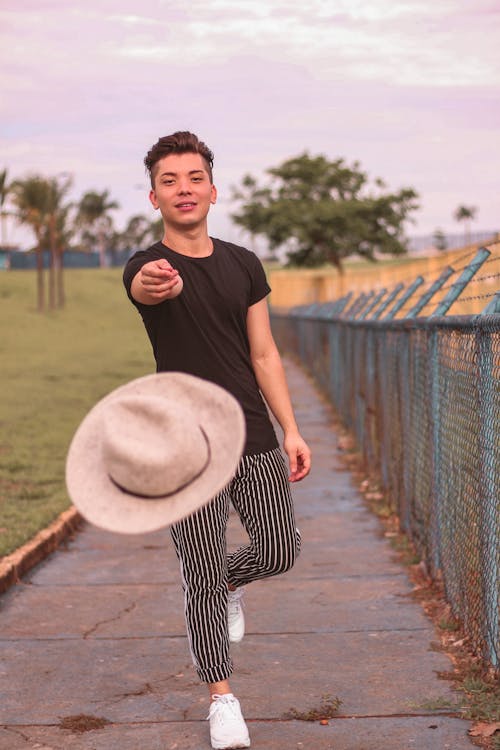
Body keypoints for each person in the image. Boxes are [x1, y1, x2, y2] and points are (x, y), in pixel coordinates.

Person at [123, 131, 311, 750]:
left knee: (280, 550)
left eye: (194, 177)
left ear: (213, 187)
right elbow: (146, 288)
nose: (184, 188)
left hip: (252, 436)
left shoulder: (244, 264)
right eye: (170, 180)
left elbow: (264, 352)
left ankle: (229, 581)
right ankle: (221, 697)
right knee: (198, 569)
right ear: (154, 196)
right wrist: (157, 283)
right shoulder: (146, 266)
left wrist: (292, 428)